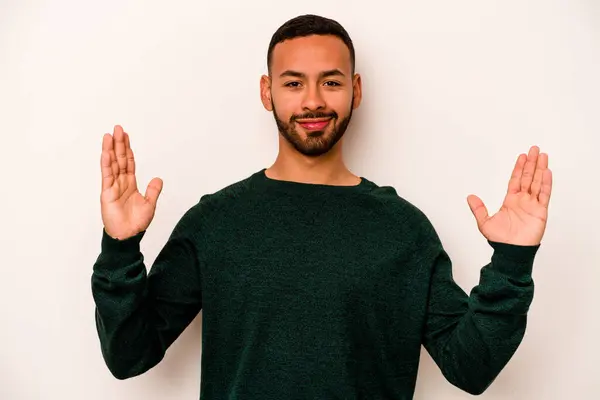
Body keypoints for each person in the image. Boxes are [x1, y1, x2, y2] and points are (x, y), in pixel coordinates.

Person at [91, 14, 553, 399]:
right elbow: (130, 355)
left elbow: (470, 368)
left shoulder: (404, 231)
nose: (313, 101)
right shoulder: (215, 223)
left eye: (330, 81)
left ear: (355, 89)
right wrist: (120, 249)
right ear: (266, 91)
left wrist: (511, 264)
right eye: (293, 83)